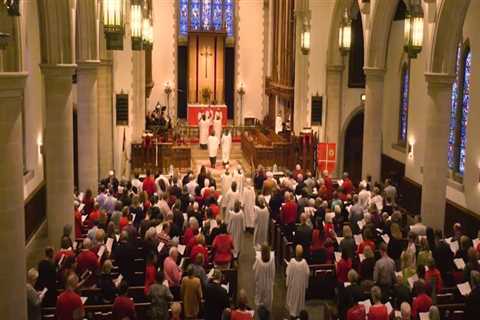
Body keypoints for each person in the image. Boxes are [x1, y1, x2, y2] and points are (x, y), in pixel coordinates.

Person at [286, 245, 310, 318]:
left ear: (296, 252)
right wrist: (306, 285)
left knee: (293, 302)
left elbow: (288, 273)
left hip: (293, 286)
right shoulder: (304, 263)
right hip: (300, 287)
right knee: (299, 302)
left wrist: (287, 283)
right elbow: (307, 274)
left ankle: (293, 315)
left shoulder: (292, 262)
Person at [253, 244, 275, 311]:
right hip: (269, 282)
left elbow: (255, 270)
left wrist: (256, 280)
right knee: (268, 298)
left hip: (260, 282)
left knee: (260, 297)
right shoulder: (272, 260)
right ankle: (267, 310)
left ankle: (260, 311)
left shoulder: (259, 261)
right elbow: (273, 271)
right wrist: (272, 280)